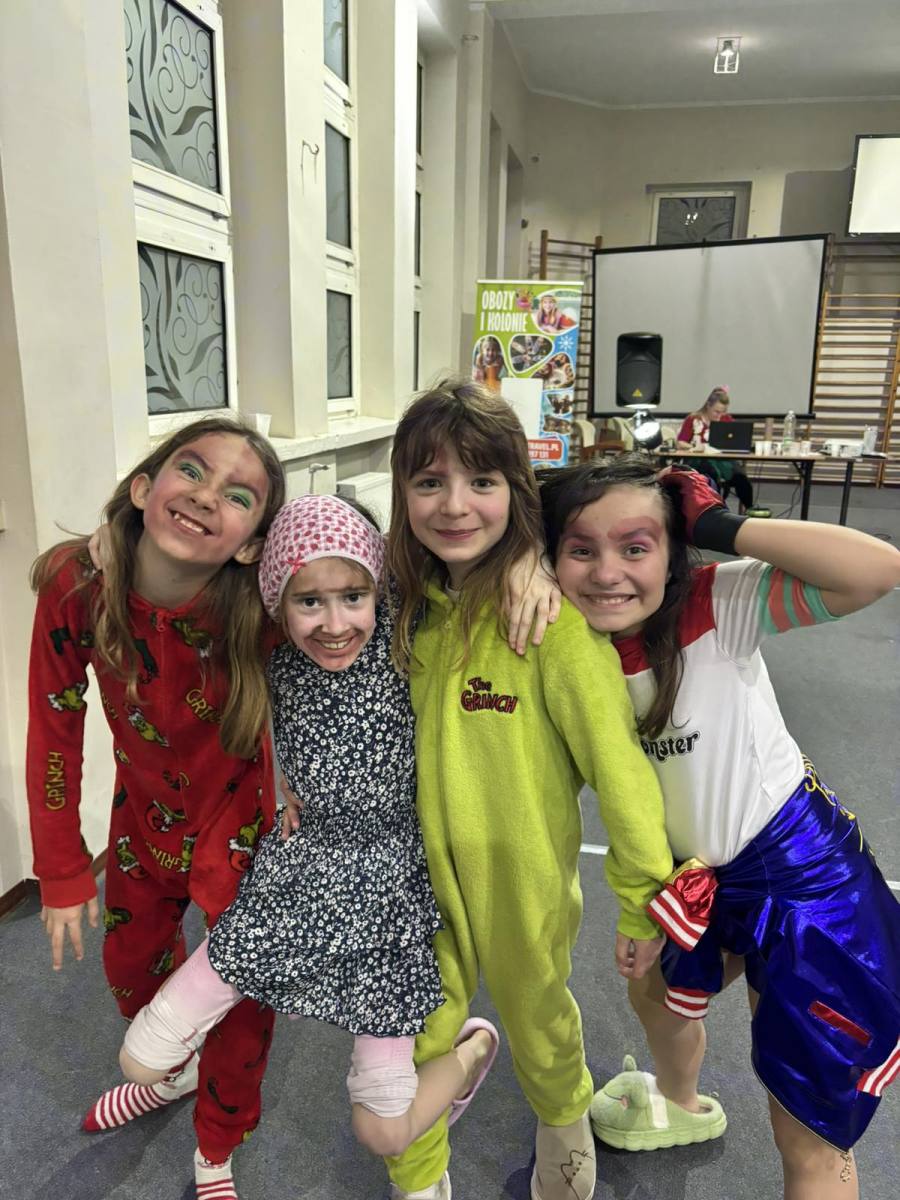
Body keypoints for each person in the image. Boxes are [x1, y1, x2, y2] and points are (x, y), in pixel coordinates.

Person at [540, 455, 900, 1200]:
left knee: (805, 1130)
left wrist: (722, 526)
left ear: (673, 553)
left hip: (805, 889)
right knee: (653, 994)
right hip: (696, 877)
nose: (607, 572)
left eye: (635, 547)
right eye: (581, 549)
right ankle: (680, 1102)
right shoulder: (566, 639)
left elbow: (876, 570)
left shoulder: (715, 605)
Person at [115, 493, 501, 1172]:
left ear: (379, 591)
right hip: (300, 873)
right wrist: (113, 539)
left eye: (353, 596)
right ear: (277, 604)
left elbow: (490, 549)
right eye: (309, 602)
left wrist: (531, 569)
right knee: (140, 1060)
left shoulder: (407, 631)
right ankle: (191, 1078)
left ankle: (472, 1052)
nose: (334, 623)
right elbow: (179, 583)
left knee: (385, 1132)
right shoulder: (270, 650)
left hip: (393, 891)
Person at [383, 379, 674, 1200]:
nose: (454, 505)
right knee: (408, 1033)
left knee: (538, 1014)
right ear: (402, 492)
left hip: (524, 879)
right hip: (412, 877)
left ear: (516, 489)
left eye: (481, 480)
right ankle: (419, 1176)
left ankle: (562, 1118)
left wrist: (641, 901)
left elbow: (622, 778)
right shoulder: (395, 611)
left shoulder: (552, 627)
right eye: (429, 481)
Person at [27, 417, 288, 1199]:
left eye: (239, 496)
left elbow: (361, 586)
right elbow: (53, 724)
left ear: (252, 545)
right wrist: (62, 868)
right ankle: (176, 1073)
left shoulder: (258, 607)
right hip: (141, 825)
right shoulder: (77, 584)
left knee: (240, 1004)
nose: (207, 496)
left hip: (242, 832)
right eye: (192, 471)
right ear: (144, 488)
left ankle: (217, 1144)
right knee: (130, 968)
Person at [676, 386, 753, 512]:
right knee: (711, 475)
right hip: (699, 459)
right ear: (708, 406)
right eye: (716, 412)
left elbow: (735, 440)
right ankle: (714, 510)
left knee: (741, 477)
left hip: (722, 459)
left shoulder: (726, 419)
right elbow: (680, 443)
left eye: (723, 412)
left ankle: (750, 510)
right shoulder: (693, 419)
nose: (719, 415)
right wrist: (695, 447)